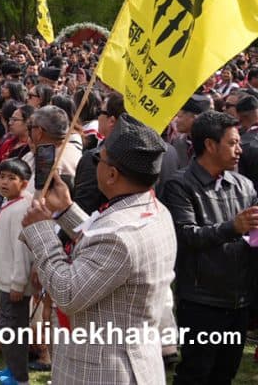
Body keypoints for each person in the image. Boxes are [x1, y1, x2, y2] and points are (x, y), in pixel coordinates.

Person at [21, 113, 176, 385]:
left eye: (99, 160)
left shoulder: (120, 235)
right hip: (130, 359)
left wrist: (41, 231)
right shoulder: (153, 210)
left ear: (113, 174)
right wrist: (67, 211)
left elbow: (68, 292)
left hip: (103, 370)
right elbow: (104, 250)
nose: (96, 167)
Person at [162, 110, 256, 384]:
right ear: (210, 145)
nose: (239, 149)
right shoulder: (180, 185)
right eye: (232, 143)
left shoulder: (243, 185)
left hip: (239, 301)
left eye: (238, 142)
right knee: (196, 373)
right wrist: (232, 227)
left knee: (225, 373)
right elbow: (187, 236)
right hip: (202, 301)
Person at [0, 158, 33, 385]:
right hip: (5, 279)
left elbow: (22, 248)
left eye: (11, 178)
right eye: (3, 176)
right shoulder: (10, 204)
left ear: (24, 184)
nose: (5, 182)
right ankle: (11, 367)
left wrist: (18, 283)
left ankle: (19, 377)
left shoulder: (21, 209)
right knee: (8, 326)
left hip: (14, 283)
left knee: (14, 330)